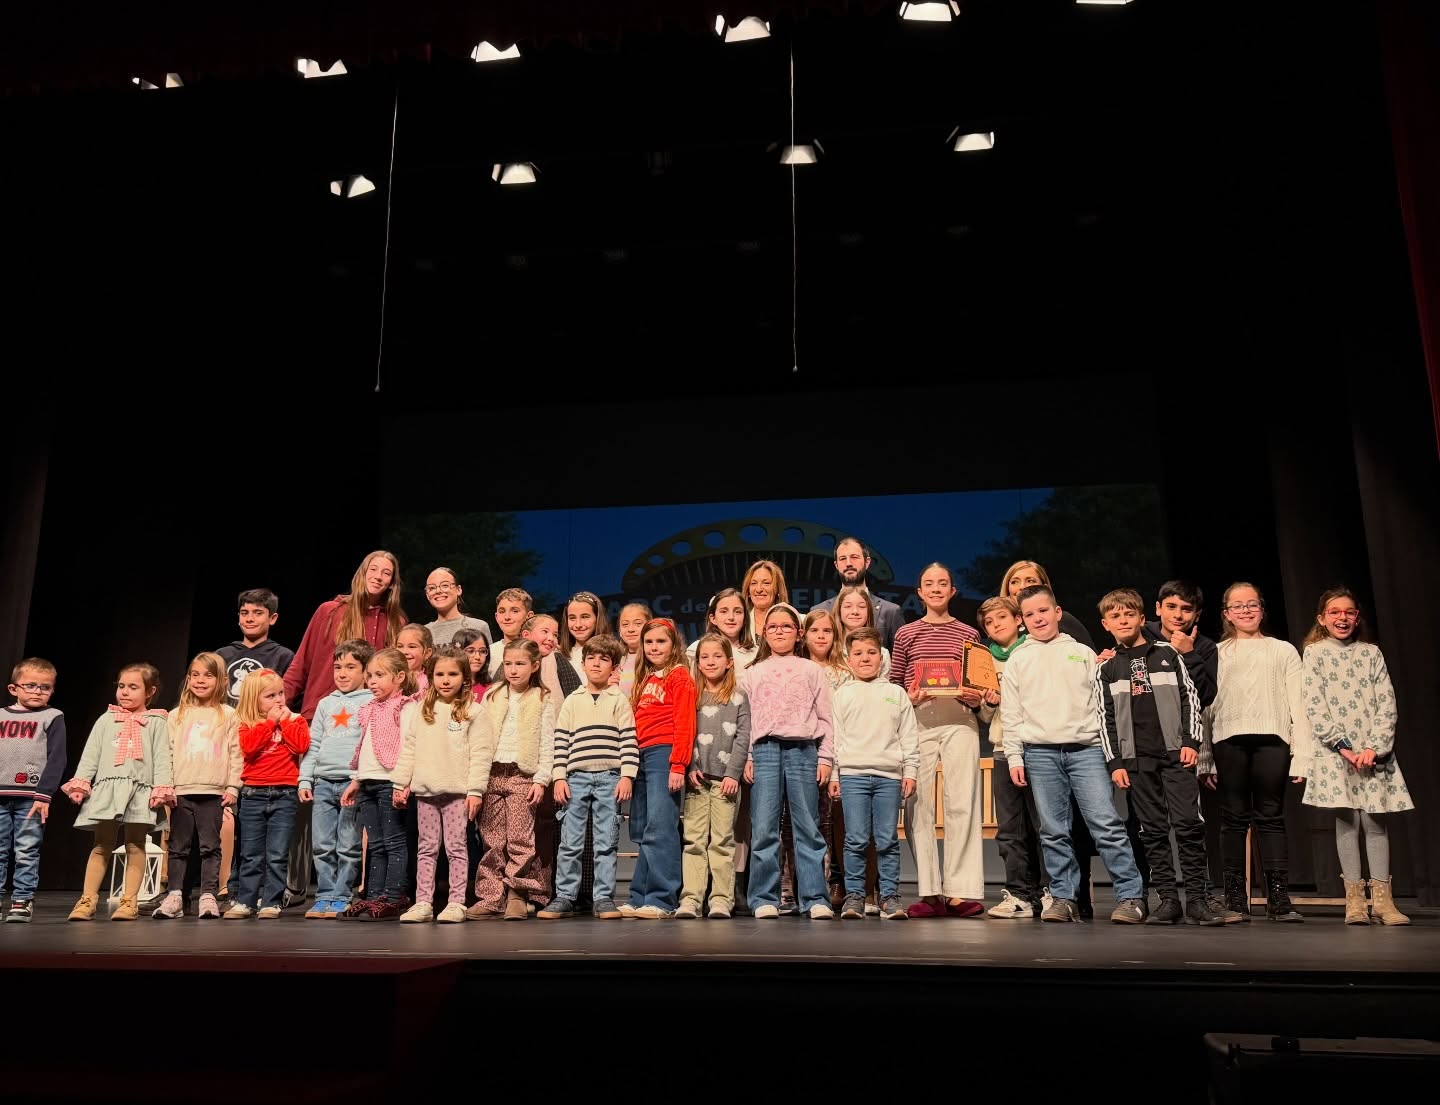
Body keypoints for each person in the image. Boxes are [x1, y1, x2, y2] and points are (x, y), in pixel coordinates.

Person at [1001, 586, 1146, 924]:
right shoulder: (1019, 659)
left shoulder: (1081, 653)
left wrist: (1111, 755)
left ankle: (1130, 896)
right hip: (1039, 753)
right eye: (1031, 614)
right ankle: (1063, 898)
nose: (1038, 618)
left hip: (1086, 750)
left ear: (1057, 612)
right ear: (1022, 620)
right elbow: (1011, 714)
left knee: (1106, 824)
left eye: (1044, 611)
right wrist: (1015, 756)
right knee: (1052, 830)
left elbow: (1101, 706)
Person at [1095, 589, 1229, 926]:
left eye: (1129, 614)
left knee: (1187, 825)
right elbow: (1105, 718)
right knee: (1152, 831)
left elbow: (1191, 700)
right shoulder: (1107, 668)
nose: (1123, 620)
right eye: (1115, 616)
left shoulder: (1169, 653)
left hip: (1175, 755)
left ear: (1143, 619)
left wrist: (1190, 741)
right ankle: (1168, 899)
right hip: (1136, 760)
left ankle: (1197, 899)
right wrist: (1115, 763)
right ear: (1105, 624)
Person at [282, 551, 406, 912]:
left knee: (356, 830)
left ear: (393, 582)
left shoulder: (395, 621)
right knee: (310, 827)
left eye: (387, 573)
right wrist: (276, 708)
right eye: (374, 569)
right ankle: (303, 892)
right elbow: (301, 663)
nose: (379, 577)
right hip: (317, 719)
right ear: (362, 572)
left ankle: (349, 892)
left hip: (365, 730)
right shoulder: (329, 612)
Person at [1300, 588, 1413, 926]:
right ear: (1322, 619)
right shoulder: (1315, 653)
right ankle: (1354, 901)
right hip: (1339, 753)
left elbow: (1386, 703)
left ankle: (1383, 901)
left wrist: (1373, 748)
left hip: (1371, 753)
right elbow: (1314, 704)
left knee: (1375, 820)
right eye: (1335, 612)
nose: (1342, 618)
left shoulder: (1371, 654)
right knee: (1347, 820)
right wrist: (1343, 746)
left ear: (1357, 617)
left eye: (1348, 612)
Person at [1198, 582, 1310, 922]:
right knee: (1232, 819)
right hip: (1228, 740)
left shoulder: (1283, 650)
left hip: (1272, 740)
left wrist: (1302, 754)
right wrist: (1204, 757)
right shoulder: (1216, 652)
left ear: (1262, 609)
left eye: (1252, 604)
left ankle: (1279, 897)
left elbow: (1299, 705)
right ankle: (1234, 897)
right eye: (1238, 606)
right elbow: (1205, 708)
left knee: (1271, 817)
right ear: (1227, 614)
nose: (1246, 610)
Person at [890, 563, 985, 918]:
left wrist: (976, 696)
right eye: (928, 583)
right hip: (919, 721)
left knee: (962, 801)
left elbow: (978, 680)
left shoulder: (969, 633)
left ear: (952, 590)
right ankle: (930, 891)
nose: (935, 588)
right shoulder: (906, 634)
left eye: (942, 583)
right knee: (918, 803)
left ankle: (961, 891)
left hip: (960, 719)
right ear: (919, 592)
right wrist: (908, 699)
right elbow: (896, 683)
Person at [739, 603, 834, 920]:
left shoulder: (812, 670)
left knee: (807, 826)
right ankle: (763, 897)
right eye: (773, 627)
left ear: (799, 633)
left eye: (786, 626)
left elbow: (827, 719)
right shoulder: (753, 672)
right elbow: (746, 721)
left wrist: (825, 757)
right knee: (764, 827)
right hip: (765, 750)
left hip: (802, 750)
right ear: (764, 634)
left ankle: (815, 897)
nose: (779, 631)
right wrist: (748, 757)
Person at [61, 663, 173, 921]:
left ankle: (129, 901)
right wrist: (81, 783)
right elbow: (91, 754)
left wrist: (160, 788)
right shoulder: (106, 719)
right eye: (121, 686)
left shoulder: (155, 722)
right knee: (101, 844)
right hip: (108, 789)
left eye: (133, 687)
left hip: (139, 790)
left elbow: (162, 758)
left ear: (149, 691)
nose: (124, 692)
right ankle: (87, 900)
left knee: (135, 844)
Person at [394, 648, 495, 923]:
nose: (445, 680)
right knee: (426, 849)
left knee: (456, 848)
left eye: (452, 674)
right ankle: (423, 901)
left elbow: (481, 754)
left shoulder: (473, 711)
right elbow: (410, 748)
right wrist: (401, 782)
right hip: (426, 792)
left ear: (464, 677)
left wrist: (475, 791)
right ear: (431, 676)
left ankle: (456, 902)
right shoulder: (422, 709)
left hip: (457, 793)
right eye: (440, 674)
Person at [539, 635, 637, 920]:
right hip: (576, 778)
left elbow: (629, 740)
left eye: (604, 659)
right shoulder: (573, 700)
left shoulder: (619, 700)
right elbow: (561, 741)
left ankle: (603, 897)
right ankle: (565, 896)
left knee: (606, 840)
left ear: (614, 667)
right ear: (583, 664)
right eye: (591, 658)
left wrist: (627, 775)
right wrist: (559, 777)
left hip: (609, 777)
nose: (596, 663)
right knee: (570, 840)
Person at [829, 627, 918, 921]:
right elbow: (835, 738)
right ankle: (855, 895)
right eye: (858, 654)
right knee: (855, 838)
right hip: (852, 775)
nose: (865, 658)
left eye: (871, 653)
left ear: (881, 657)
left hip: (888, 777)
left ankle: (890, 897)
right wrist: (834, 776)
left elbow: (908, 736)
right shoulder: (842, 694)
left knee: (887, 839)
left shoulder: (895, 693)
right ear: (848, 659)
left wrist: (911, 771)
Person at [468, 639, 556, 921]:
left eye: (520, 664)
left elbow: (548, 743)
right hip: (493, 774)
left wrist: (541, 779)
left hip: (523, 776)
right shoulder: (493, 695)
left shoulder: (543, 698)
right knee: (492, 840)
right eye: (508, 664)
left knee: (520, 838)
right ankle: (491, 896)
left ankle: (518, 893)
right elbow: (480, 739)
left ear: (534, 666)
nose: (513, 670)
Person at [153, 653, 240, 920]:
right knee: (178, 846)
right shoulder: (176, 715)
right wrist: (165, 786)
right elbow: (165, 753)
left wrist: (233, 787)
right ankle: (175, 895)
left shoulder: (228, 714)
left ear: (222, 681)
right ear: (188, 678)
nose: (200, 680)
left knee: (210, 846)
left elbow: (236, 752)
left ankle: (208, 895)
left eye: (208, 675)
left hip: (213, 792)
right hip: (181, 791)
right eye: (195, 674)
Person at [624, 618, 696, 918]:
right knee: (643, 828)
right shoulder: (647, 679)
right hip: (641, 754)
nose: (654, 647)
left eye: (661, 641)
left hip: (664, 754)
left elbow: (685, 722)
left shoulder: (678, 676)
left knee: (662, 826)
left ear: (673, 644)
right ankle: (639, 895)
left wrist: (678, 763)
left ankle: (663, 898)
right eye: (649, 642)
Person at [338, 648, 418, 921]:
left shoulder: (405, 706)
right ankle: (373, 897)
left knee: (394, 841)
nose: (372, 681)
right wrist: (356, 781)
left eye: (379, 675)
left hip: (390, 783)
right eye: (369, 675)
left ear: (399, 677)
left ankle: (394, 896)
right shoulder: (370, 708)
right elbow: (365, 748)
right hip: (369, 783)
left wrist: (402, 783)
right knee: (375, 843)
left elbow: (409, 745)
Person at [976, 596, 1044, 920]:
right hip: (1003, 749)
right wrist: (988, 702)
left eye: (1001, 618)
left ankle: (1050, 892)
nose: (995, 625)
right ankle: (1020, 894)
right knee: (1010, 828)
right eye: (988, 623)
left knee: (1044, 825)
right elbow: (988, 717)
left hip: (1037, 746)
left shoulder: (1034, 650)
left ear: (1018, 619)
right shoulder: (985, 660)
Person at [297, 639, 374, 919]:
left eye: (351, 667)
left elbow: (369, 743)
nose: (342, 673)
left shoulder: (369, 701)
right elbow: (313, 744)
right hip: (323, 782)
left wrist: (359, 777)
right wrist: (305, 779)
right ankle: (324, 895)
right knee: (322, 844)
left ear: (366, 672)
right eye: (338, 667)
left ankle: (342, 895)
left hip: (351, 783)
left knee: (348, 844)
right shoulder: (325, 704)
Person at [677, 633, 751, 920]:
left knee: (721, 841)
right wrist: (689, 767)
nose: (710, 661)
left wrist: (733, 774)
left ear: (729, 663)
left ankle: (721, 898)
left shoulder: (738, 697)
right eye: (704, 657)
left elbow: (742, 739)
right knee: (694, 841)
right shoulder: (691, 695)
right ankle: (692, 899)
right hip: (697, 780)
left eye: (717, 656)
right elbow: (687, 734)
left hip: (726, 782)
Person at [225, 669, 309, 919]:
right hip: (253, 795)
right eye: (270, 696)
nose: (279, 700)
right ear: (254, 700)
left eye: (281, 693)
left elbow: (301, 745)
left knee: (277, 854)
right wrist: (270, 722)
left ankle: (272, 901)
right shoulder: (246, 724)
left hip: (285, 795)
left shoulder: (295, 720)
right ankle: (246, 901)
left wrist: (283, 721)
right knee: (250, 854)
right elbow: (249, 749)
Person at [0, 658, 66, 924]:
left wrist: (45, 793)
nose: (37, 691)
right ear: (13, 688)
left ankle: (22, 899)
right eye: (30, 686)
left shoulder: (52, 717)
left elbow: (57, 758)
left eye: (45, 687)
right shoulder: (2, 716)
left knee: (27, 849)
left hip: (32, 797)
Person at [810, 537, 904, 650]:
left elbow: (900, 661)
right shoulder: (820, 610)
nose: (848, 563)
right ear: (836, 565)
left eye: (854, 557)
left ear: (867, 562)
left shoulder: (890, 612)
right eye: (843, 559)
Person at [216, 589, 294, 708]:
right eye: (244, 613)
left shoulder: (283, 656)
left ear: (272, 618)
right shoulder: (221, 655)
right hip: (226, 722)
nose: (249, 619)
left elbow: (288, 698)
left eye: (258, 613)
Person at [1000, 561, 1095, 648]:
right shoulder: (999, 628)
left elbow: (1091, 659)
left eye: (1030, 581)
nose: (1021, 587)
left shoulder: (1063, 620)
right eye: (1014, 582)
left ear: (1044, 588)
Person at [684, 588, 756, 670]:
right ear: (713, 618)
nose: (731, 617)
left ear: (745, 618)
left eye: (738, 612)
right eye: (724, 611)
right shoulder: (696, 650)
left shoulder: (755, 653)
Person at [423, 566, 494, 649]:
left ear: (458, 590)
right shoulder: (424, 632)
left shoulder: (479, 626)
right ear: (427, 595)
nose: (438, 591)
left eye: (445, 585)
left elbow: (488, 660)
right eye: (432, 588)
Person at [835, 585, 891, 679]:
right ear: (839, 611)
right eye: (848, 606)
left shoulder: (883, 654)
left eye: (861, 606)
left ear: (868, 612)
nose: (855, 611)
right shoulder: (831, 651)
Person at [487, 587, 534, 680]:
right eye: (502, 611)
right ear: (496, 617)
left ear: (529, 616)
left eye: (515, 611)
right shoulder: (488, 653)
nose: (507, 617)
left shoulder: (538, 650)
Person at [560, 591, 611, 673]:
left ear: (597, 618)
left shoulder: (613, 654)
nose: (578, 624)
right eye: (572, 618)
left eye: (585, 617)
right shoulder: (560, 656)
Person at [741, 560, 789, 643]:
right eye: (753, 583)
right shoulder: (739, 623)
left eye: (766, 583)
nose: (759, 589)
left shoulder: (797, 621)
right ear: (748, 591)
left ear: (777, 589)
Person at [615, 602, 652, 699]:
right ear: (619, 631)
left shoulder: (655, 658)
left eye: (638, 623)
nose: (631, 629)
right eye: (625, 624)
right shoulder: (616, 660)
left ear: (649, 626)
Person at [395, 623, 435, 693]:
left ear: (427, 653)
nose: (404, 652)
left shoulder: (429, 684)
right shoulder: (388, 678)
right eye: (400, 646)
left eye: (412, 647)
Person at [451, 628, 491, 699]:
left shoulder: (490, 688)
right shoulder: (448, 686)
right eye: (471, 651)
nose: (477, 657)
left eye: (482, 651)